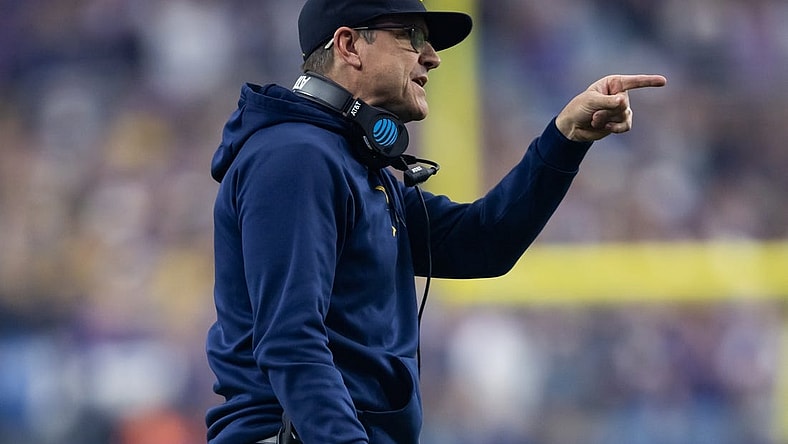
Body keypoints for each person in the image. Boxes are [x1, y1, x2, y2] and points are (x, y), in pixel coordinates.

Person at [204, 0, 667, 443]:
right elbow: (290, 339)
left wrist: (565, 138)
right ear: (348, 46)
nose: (432, 57)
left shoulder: (351, 163)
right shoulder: (296, 158)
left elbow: (483, 242)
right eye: (412, 37)